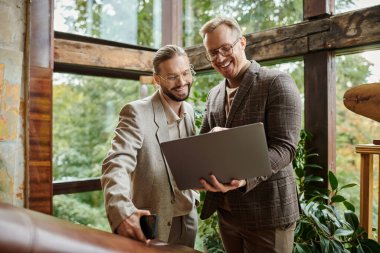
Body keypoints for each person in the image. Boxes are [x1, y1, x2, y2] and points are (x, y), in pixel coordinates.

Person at [198, 17, 302, 253]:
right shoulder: (214, 94)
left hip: (268, 213)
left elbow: (285, 148)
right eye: (213, 52)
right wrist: (195, 175)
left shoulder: (277, 82)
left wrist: (245, 177)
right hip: (227, 212)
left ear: (242, 42)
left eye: (226, 48)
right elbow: (204, 143)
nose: (220, 58)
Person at [101, 45, 199, 247]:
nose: (182, 82)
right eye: (172, 77)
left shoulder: (189, 110)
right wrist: (122, 213)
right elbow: (116, 163)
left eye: (185, 73)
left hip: (188, 219)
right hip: (153, 224)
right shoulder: (136, 112)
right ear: (157, 79)